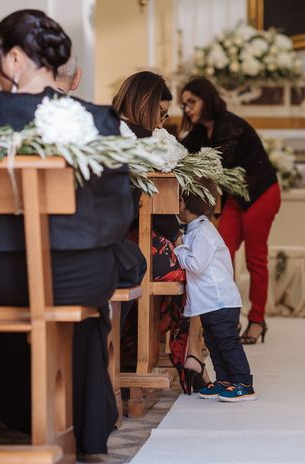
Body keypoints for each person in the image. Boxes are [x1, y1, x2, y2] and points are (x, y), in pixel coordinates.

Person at [0, 9, 141, 455]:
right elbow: (121, 209)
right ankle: (83, 420)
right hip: (80, 272)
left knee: (21, 294)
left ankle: (18, 403)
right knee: (85, 301)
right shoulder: (97, 119)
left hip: (4, 276)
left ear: (15, 60)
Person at [113, 71, 210, 393]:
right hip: (133, 242)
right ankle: (190, 354)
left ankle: (186, 352)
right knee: (198, 266)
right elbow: (161, 205)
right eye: (162, 113)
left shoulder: (107, 130)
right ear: (146, 105)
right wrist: (180, 239)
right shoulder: (147, 142)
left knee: (194, 258)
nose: (162, 121)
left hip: (118, 237)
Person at [179, 77, 280, 345]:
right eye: (184, 104)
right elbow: (182, 153)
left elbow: (217, 165)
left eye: (192, 102)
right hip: (236, 199)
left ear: (207, 99)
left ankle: (257, 320)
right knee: (222, 252)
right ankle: (228, 316)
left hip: (260, 194)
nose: (187, 108)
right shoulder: (202, 131)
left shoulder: (228, 125)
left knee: (255, 259)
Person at [174, 178, 256, 401]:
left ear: (181, 203)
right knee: (213, 342)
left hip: (221, 301)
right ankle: (225, 380)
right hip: (209, 302)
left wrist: (179, 247)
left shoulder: (203, 231)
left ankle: (244, 383)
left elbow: (196, 265)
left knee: (227, 342)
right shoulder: (195, 229)